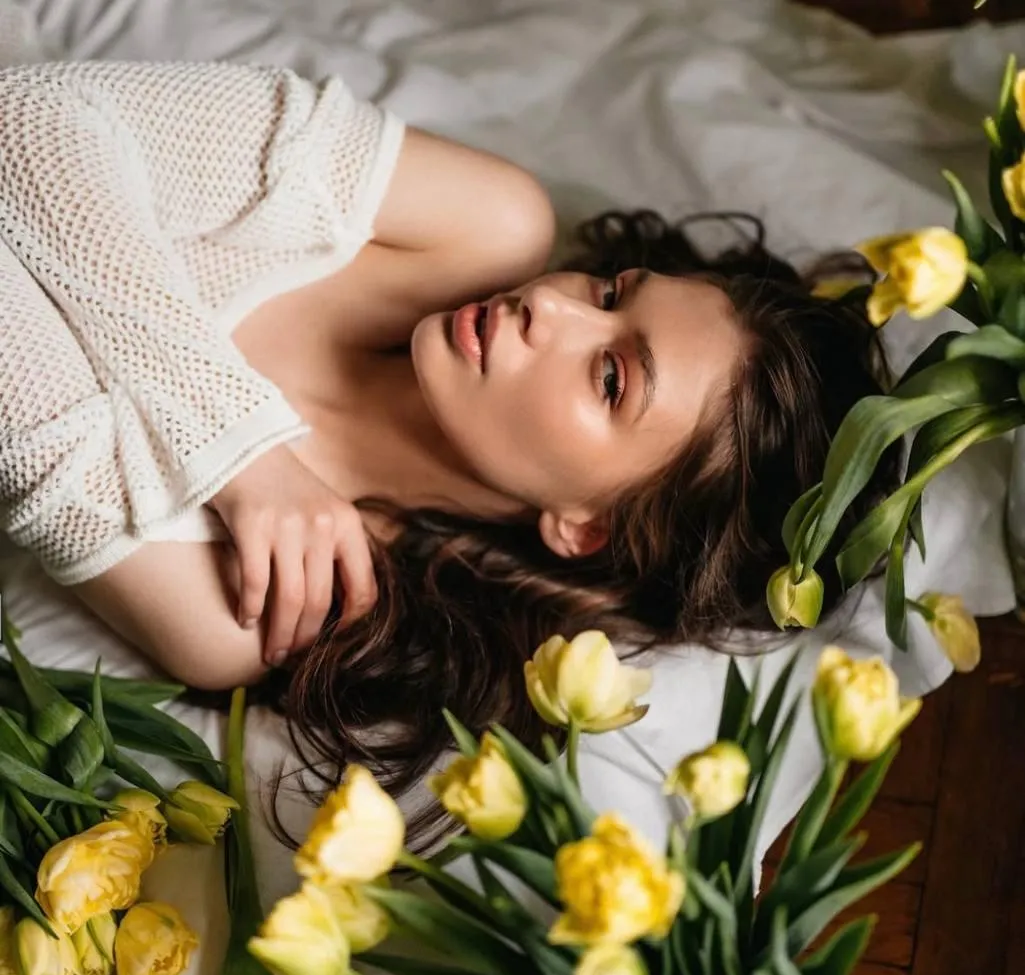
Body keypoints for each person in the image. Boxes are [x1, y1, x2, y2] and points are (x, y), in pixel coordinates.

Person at [0, 59, 894, 848]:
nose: (552, 308)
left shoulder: (241, 607)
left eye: (612, 379)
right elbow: (22, 120)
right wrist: (242, 455)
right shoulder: (481, 224)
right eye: (614, 292)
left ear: (584, 527)